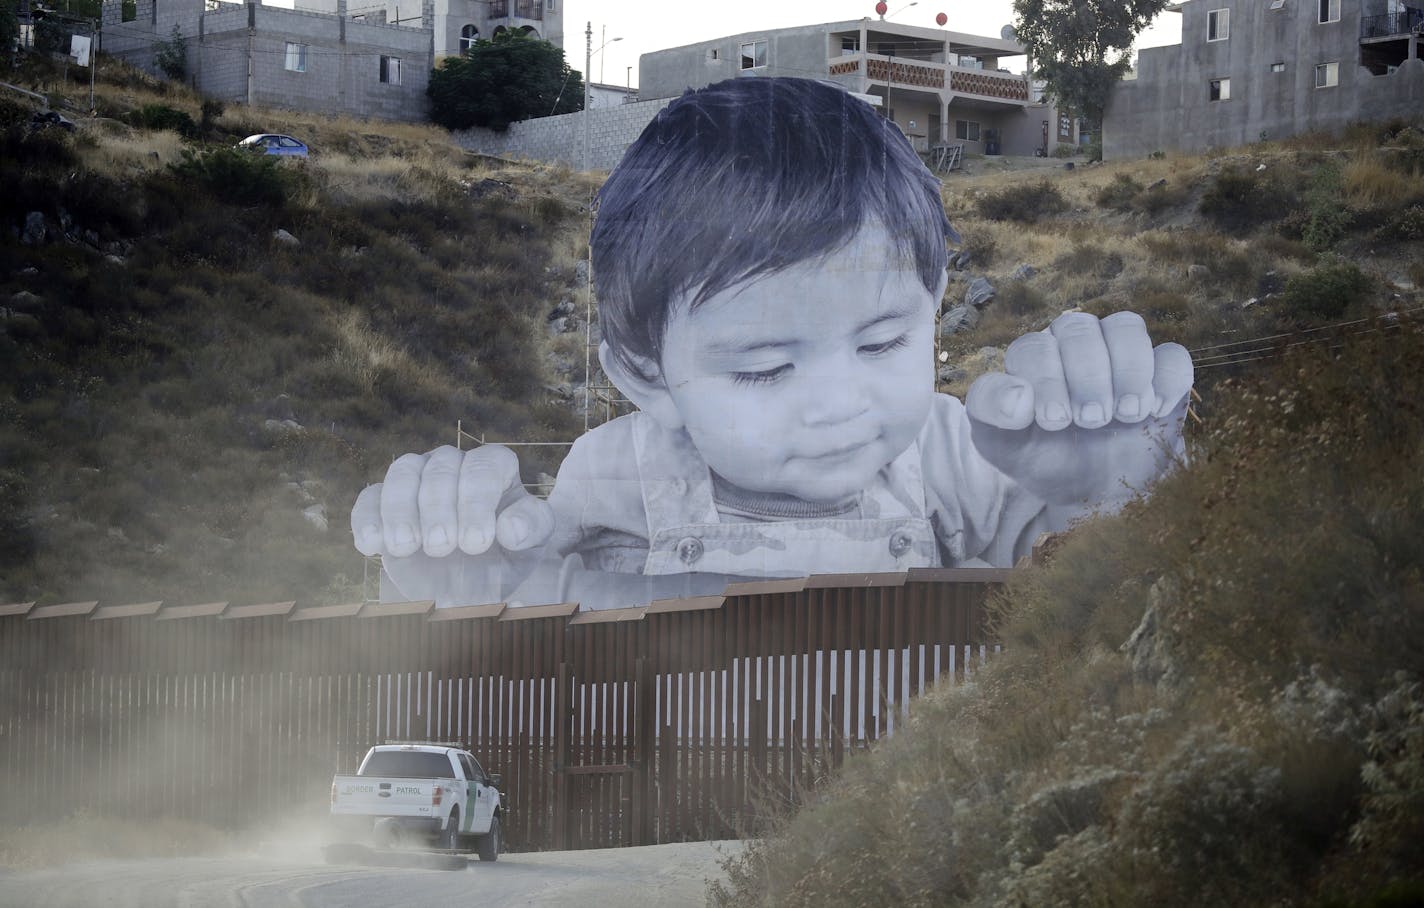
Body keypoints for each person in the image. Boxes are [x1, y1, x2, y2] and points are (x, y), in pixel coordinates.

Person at [350, 77, 1193, 609]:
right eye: (763, 369)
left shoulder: (957, 457)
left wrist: (1107, 487)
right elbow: (545, 625)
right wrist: (457, 586)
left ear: (934, 305)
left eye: (882, 344)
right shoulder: (615, 477)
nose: (838, 403)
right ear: (647, 375)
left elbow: (1099, 603)